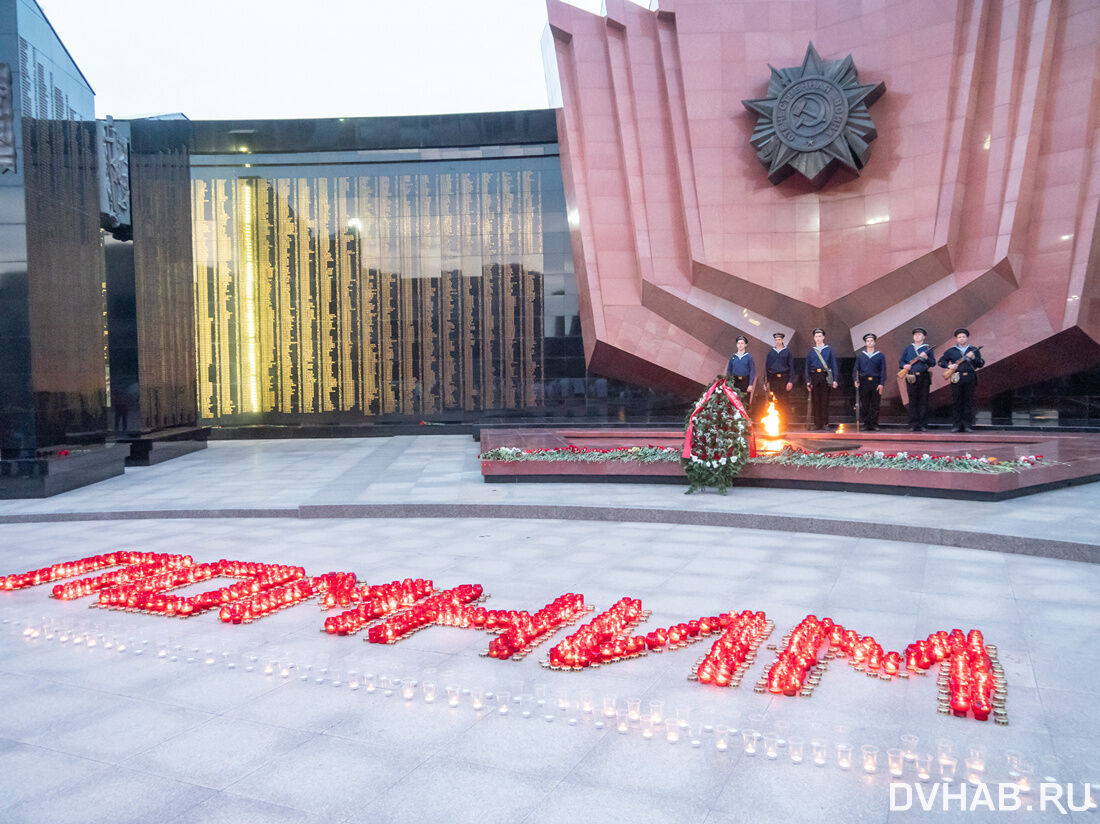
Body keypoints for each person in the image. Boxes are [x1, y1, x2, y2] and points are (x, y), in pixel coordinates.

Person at [937, 327, 985, 432]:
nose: (962, 338)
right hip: (956, 378)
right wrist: (949, 366)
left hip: (970, 377)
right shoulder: (951, 351)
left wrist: (973, 358)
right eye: (959, 337)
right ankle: (956, 425)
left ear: (967, 338)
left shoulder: (973, 350)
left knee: (968, 401)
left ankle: (967, 425)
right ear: (956, 339)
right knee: (957, 402)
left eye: (963, 336)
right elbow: (940, 362)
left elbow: (980, 364)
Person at [899, 326, 935, 431]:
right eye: (915, 335)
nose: (917, 336)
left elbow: (933, 363)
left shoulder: (927, 349)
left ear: (923, 337)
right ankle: (913, 424)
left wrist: (926, 358)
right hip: (911, 376)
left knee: (923, 401)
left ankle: (923, 424)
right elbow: (901, 362)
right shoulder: (908, 349)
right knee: (912, 401)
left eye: (919, 335)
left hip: (924, 377)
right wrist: (904, 366)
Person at [804, 328, 838, 431]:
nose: (818, 338)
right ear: (814, 338)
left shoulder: (829, 350)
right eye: (816, 336)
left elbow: (834, 365)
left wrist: (835, 379)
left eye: (820, 336)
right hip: (814, 377)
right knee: (815, 401)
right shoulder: (811, 352)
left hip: (825, 377)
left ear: (823, 337)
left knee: (824, 401)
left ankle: (825, 423)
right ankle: (817, 424)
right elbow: (807, 367)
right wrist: (808, 380)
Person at [853, 333, 885, 431]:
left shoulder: (880, 355)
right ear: (865, 343)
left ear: (874, 342)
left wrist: (881, 383)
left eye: (871, 341)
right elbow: (855, 369)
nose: (869, 342)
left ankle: (874, 424)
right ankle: (866, 423)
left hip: (875, 381)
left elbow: (883, 370)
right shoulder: (861, 356)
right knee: (865, 404)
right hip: (864, 382)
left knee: (875, 404)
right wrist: (855, 379)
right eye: (868, 341)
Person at [764, 331, 794, 419]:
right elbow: (767, 368)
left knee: (784, 401)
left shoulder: (787, 352)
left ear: (782, 340)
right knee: (774, 400)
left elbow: (792, 367)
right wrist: (766, 382)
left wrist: (790, 381)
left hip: (784, 379)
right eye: (776, 340)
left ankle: (784, 422)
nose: (777, 341)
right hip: (773, 379)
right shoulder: (771, 353)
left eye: (779, 339)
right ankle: (775, 421)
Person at [725, 335, 756, 400]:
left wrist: (750, 385)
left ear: (745, 345)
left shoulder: (749, 357)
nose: (740, 345)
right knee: (733, 400)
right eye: (738, 343)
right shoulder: (733, 357)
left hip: (745, 382)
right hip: (734, 381)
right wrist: (727, 382)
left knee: (744, 401)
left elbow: (752, 371)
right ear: (736, 345)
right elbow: (729, 370)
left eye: (742, 343)